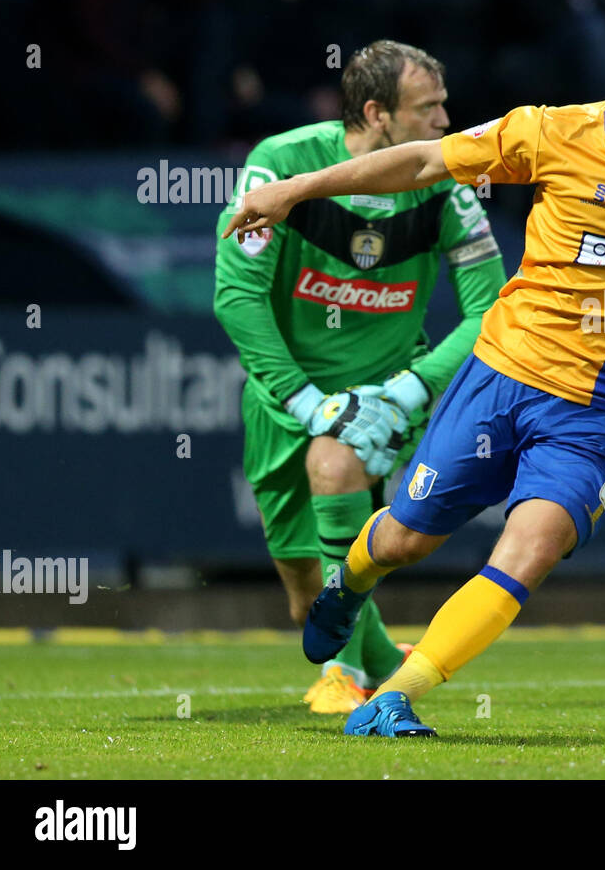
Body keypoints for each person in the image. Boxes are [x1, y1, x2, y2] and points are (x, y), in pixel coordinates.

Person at [223, 4, 605, 739]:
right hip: (502, 375)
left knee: (532, 548)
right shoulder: (550, 132)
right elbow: (421, 161)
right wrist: (295, 190)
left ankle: (397, 694)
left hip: (600, 416)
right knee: (407, 539)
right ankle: (349, 586)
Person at [214, 41, 506, 713]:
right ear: (376, 113)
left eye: (444, 104)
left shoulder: (447, 182)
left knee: (337, 464)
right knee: (302, 593)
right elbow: (237, 296)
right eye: (427, 108)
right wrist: (308, 400)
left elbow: (492, 308)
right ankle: (376, 655)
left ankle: (343, 673)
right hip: (287, 398)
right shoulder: (281, 164)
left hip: (386, 395)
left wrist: (409, 390)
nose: (445, 121)